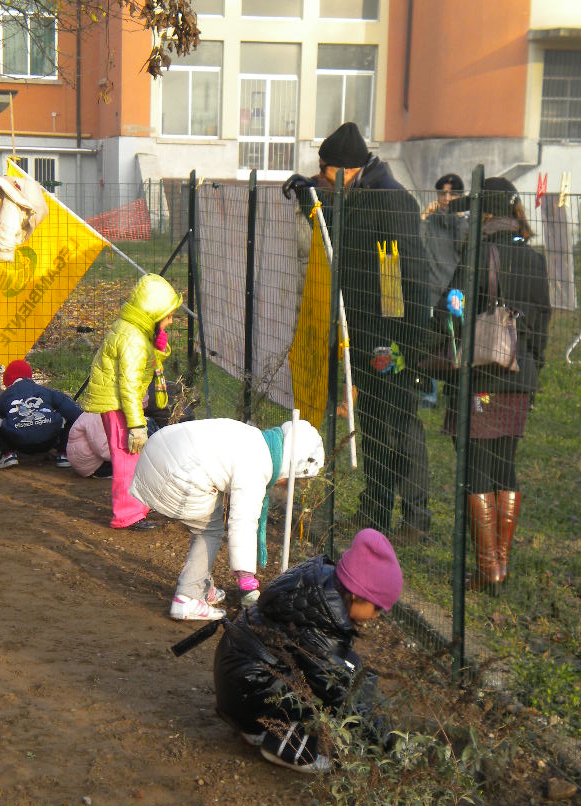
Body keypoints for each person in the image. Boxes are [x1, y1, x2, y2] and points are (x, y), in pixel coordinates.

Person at [285, 122, 433, 543]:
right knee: (372, 425)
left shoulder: (390, 202)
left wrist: (398, 341)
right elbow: (338, 238)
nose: (323, 178)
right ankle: (375, 512)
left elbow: (401, 274)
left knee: (401, 426)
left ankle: (417, 519)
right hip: (365, 334)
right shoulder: (358, 195)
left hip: (395, 338)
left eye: (325, 172)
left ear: (349, 170)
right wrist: (309, 197)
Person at [435, 177, 551, 593]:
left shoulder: (476, 254)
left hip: (482, 379)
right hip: (523, 378)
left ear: (483, 214)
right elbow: (543, 322)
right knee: (506, 465)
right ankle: (499, 565)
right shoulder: (536, 259)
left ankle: (489, 570)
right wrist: (531, 367)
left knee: (477, 469)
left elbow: (448, 313)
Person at [214, 528, 403, 773]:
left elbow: (341, 663)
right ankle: (279, 742)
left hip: (239, 673)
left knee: (343, 670)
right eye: (377, 608)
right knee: (315, 699)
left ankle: (259, 724)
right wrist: (388, 741)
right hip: (246, 690)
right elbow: (339, 694)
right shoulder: (322, 624)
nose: (376, 616)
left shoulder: (323, 585)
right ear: (356, 596)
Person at [130, 417, 325, 620]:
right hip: (174, 473)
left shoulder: (255, 438)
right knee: (209, 530)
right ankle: (187, 598)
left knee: (209, 518)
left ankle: (203, 586)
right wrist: (246, 578)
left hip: (159, 450)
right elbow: (243, 522)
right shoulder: (257, 466)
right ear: (291, 467)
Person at [81, 273, 181, 531]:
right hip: (118, 404)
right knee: (127, 456)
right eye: (167, 314)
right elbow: (128, 386)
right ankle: (127, 514)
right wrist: (137, 425)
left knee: (133, 455)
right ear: (153, 313)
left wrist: (158, 344)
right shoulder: (134, 340)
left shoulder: (135, 331)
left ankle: (137, 506)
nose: (171, 319)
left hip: (120, 401)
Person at [419, 173, 469, 408]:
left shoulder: (466, 224)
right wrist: (423, 217)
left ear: (461, 196)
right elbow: (418, 247)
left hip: (456, 295)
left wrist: (460, 220)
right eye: (442, 193)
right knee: (428, 343)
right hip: (431, 292)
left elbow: (464, 249)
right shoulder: (430, 222)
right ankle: (429, 392)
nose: (446, 198)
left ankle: (454, 391)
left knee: (457, 343)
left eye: (452, 194)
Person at [0, 359, 82, 469]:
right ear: (30, 377)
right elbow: (73, 411)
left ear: (8, 381)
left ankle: (8, 454)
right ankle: (63, 455)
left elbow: (4, 415)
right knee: (66, 414)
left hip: (19, 442)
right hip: (49, 441)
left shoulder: (4, 396)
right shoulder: (45, 390)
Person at [65, 411, 113, 478]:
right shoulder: (96, 417)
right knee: (128, 468)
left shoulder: (92, 412)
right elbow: (102, 450)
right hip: (93, 466)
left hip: (84, 462)